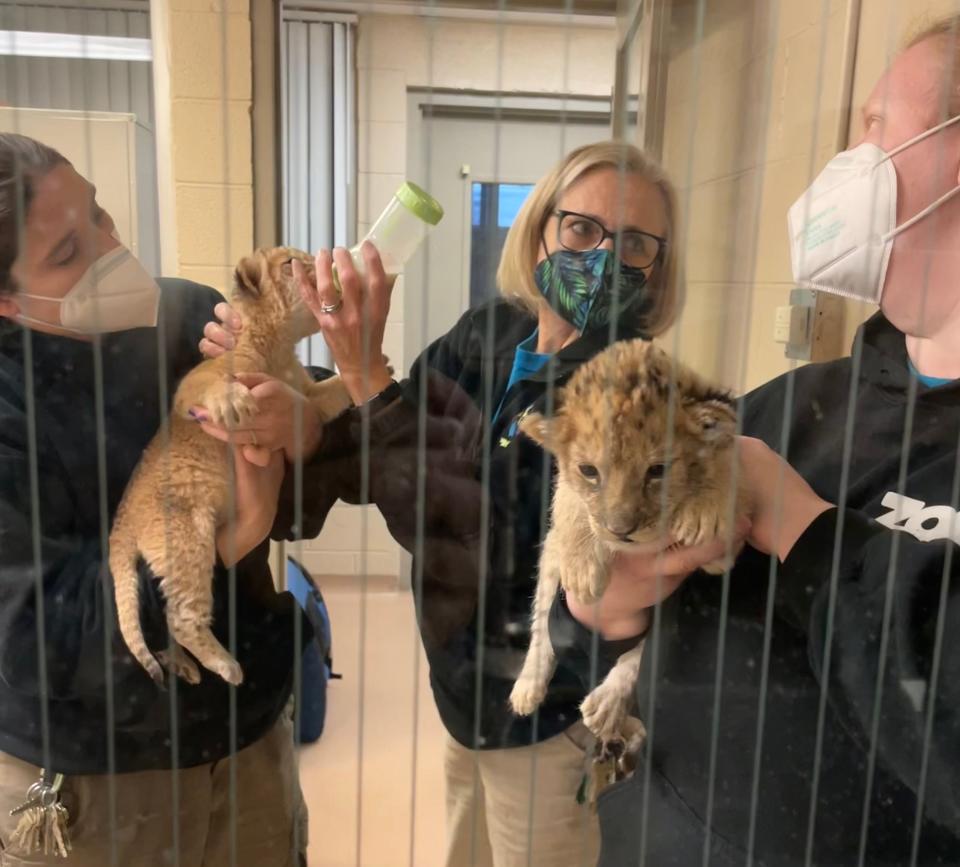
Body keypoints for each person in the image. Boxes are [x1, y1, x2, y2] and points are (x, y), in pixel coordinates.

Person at [204, 141, 738, 866]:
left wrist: (366, 371)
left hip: (553, 712)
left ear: (659, 268)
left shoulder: (629, 394)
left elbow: (478, 539)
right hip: (461, 685)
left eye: (635, 244)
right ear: (540, 227)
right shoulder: (492, 333)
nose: (605, 258)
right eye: (582, 229)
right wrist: (287, 395)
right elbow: (386, 442)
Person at [569, 17, 960, 867]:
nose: (851, 156)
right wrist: (607, 604)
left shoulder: (765, 461)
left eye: (877, 124)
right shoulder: (783, 409)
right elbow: (615, 633)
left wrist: (803, 525)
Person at [0, 133, 316, 866]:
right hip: (93, 789)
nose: (113, 248)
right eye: (69, 251)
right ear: (7, 297)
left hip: (244, 743)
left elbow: (311, 488)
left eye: (102, 215)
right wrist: (228, 537)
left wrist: (300, 419)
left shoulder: (184, 316)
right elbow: (37, 640)